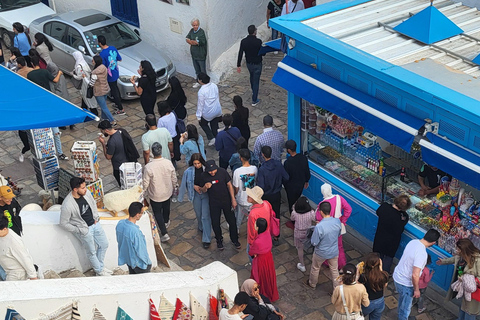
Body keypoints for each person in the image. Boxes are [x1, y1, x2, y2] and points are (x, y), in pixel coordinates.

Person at [60, 177, 111, 276]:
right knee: (91, 252)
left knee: (104, 244)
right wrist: (78, 230)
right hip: (84, 230)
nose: (85, 189)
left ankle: (100, 267)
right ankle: (99, 271)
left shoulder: (86, 193)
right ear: (75, 189)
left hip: (95, 224)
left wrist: (96, 216)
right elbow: (63, 223)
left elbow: (93, 203)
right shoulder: (67, 205)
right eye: (83, 188)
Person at [393, 229, 440, 320]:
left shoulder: (413, 242)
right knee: (406, 308)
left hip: (397, 276)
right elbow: (415, 275)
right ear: (434, 242)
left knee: (402, 301)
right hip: (406, 283)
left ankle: (400, 315)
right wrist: (417, 290)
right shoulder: (422, 254)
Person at [199, 160, 240, 251]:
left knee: (232, 221)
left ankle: (235, 239)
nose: (212, 172)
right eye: (210, 171)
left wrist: (233, 199)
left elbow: (229, 185)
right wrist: (205, 187)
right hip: (214, 202)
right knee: (215, 223)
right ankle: (219, 240)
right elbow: (202, 190)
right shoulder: (204, 176)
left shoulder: (222, 172)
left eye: (213, 170)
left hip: (226, 200)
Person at [437, 238, 480, 320]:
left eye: (458, 249)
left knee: (470, 312)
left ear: (464, 250)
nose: (456, 250)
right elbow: (454, 259)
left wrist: (470, 281)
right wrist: (443, 261)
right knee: (463, 308)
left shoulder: (477, 260)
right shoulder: (462, 257)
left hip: (472, 291)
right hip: (464, 289)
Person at [143, 142, 177, 242]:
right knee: (166, 207)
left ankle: (164, 232)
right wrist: (175, 186)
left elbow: (145, 182)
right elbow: (173, 177)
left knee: (157, 212)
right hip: (167, 191)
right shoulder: (168, 163)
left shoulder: (149, 167)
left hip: (155, 194)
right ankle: (166, 221)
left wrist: (143, 192)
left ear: (152, 153)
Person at [178, 153, 211, 249]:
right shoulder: (188, 172)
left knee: (205, 216)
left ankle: (206, 239)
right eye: (195, 163)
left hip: (205, 194)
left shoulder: (206, 170)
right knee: (198, 213)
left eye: (198, 163)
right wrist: (193, 186)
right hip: (195, 194)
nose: (197, 165)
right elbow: (184, 184)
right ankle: (201, 227)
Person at [305, 202, 341, 290]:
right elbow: (338, 234)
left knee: (315, 268)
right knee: (334, 270)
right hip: (334, 251)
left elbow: (314, 242)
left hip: (321, 252)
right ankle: (337, 288)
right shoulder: (337, 221)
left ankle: (312, 283)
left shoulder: (319, 227)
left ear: (321, 212)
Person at [315, 183, 352, 269]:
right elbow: (348, 209)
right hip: (337, 227)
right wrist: (342, 220)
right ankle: (341, 264)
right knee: (339, 246)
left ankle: (327, 262)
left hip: (326, 229)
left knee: (325, 245)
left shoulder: (322, 204)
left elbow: (318, 218)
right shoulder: (339, 198)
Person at [372, 195, 411, 274]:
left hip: (380, 236)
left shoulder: (384, 207)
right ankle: (384, 274)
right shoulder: (403, 217)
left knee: (378, 254)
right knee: (388, 258)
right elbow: (400, 230)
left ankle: (374, 271)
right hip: (392, 242)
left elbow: (378, 212)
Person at [257, 146, 289, 237]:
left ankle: (266, 233)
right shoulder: (278, 164)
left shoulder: (262, 169)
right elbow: (286, 177)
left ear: (263, 155)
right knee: (276, 214)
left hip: (266, 196)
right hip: (276, 194)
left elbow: (261, 186)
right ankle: (276, 234)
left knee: (265, 215)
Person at [116, 202, 152, 274]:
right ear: (137, 215)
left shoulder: (120, 223)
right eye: (142, 213)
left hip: (129, 260)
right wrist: (147, 263)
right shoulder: (135, 232)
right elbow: (141, 251)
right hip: (140, 264)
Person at [250, 218, 279, 302]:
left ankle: (262, 294)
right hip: (268, 258)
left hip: (261, 260)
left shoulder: (257, 241)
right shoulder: (267, 234)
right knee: (269, 276)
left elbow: (252, 252)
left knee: (261, 277)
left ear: (258, 227)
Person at [0, 216, 37, 281]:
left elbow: (25, 258)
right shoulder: (2, 235)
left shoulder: (14, 241)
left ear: (5, 229)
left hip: (16, 274)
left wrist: (33, 276)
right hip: (5, 270)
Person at [237, 25, 265, 107]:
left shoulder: (243, 41)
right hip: (257, 63)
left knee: (252, 77)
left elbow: (240, 53)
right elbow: (263, 53)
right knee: (256, 80)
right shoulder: (258, 42)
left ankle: (253, 91)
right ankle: (254, 99)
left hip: (249, 64)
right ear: (255, 32)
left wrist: (238, 64)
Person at [98, 35, 125, 115]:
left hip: (109, 75)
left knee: (114, 91)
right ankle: (118, 104)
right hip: (115, 72)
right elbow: (119, 58)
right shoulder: (113, 48)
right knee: (115, 89)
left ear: (99, 43)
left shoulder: (102, 54)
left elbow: (103, 67)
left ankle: (121, 108)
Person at [233, 149, 258, 233]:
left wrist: (234, 196)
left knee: (239, 217)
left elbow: (236, 188)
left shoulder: (237, 172)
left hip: (242, 199)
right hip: (252, 199)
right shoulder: (255, 169)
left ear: (241, 158)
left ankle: (237, 230)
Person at [358, 253, 389, 320]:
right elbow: (385, 285)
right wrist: (381, 269)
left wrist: (357, 271)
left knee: (359, 317)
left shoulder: (364, 277)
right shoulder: (384, 275)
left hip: (367, 302)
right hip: (380, 301)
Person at [246, 187, 275, 259]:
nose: (247, 196)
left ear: (253, 198)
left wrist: (252, 245)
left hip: (257, 240)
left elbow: (252, 232)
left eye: (249, 195)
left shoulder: (253, 214)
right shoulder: (266, 204)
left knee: (251, 255)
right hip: (266, 235)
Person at [98, 120, 128, 186]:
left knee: (123, 185)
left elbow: (108, 157)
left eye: (102, 131)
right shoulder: (121, 131)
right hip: (127, 161)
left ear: (106, 130)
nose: (102, 133)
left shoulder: (112, 142)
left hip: (119, 166)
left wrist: (103, 144)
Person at [283, 140, 310, 214]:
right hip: (300, 185)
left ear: (288, 150)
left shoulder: (287, 163)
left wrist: (285, 186)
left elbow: (286, 177)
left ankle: (293, 219)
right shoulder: (303, 158)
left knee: (291, 203)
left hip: (291, 188)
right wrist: (306, 181)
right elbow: (307, 171)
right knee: (297, 199)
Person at [290, 196, 316, 272]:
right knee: (312, 247)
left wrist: (293, 209)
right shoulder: (311, 213)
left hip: (298, 233)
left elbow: (292, 219)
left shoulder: (295, 213)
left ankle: (302, 265)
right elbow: (315, 219)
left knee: (299, 248)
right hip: (308, 233)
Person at [196, 72, 222, 146]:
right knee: (214, 124)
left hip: (208, 113)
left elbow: (200, 105)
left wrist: (198, 116)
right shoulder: (214, 85)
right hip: (216, 110)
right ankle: (217, 138)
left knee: (203, 123)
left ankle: (211, 137)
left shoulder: (201, 91)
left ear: (200, 80)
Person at [90, 55, 116, 125]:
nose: (92, 62)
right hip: (106, 89)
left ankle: (112, 120)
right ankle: (104, 118)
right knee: (103, 105)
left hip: (99, 91)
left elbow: (91, 83)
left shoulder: (94, 73)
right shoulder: (104, 67)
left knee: (104, 107)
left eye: (93, 60)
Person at [185, 18, 207, 88]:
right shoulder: (191, 31)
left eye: (196, 25)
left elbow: (201, 42)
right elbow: (187, 39)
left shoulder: (201, 32)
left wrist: (192, 42)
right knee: (197, 70)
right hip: (194, 54)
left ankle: (205, 83)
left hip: (201, 55)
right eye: (194, 25)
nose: (195, 26)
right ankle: (198, 81)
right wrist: (193, 42)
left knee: (202, 71)